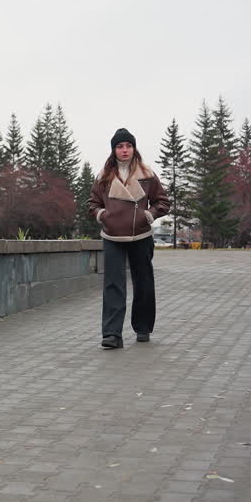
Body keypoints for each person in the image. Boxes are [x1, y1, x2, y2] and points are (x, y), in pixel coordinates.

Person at [87, 128, 171, 349]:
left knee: (143, 283)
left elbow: (163, 201)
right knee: (113, 285)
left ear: (134, 148)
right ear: (114, 150)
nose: (124, 150)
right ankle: (112, 334)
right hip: (112, 235)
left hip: (141, 234)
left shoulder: (147, 174)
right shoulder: (103, 177)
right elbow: (92, 203)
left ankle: (142, 328)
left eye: (128, 146)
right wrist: (102, 215)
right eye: (120, 146)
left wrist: (149, 215)